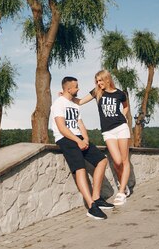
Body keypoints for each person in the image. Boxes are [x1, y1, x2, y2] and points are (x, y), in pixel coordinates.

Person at [51, 76, 114, 220]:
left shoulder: (74, 104)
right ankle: (91, 207)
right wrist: (76, 141)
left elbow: (80, 124)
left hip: (78, 138)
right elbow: (61, 127)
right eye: (76, 87)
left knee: (102, 161)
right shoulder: (58, 104)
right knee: (80, 169)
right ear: (68, 89)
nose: (78, 89)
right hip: (66, 139)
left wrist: (85, 139)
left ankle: (97, 198)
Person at [73, 70, 131, 206]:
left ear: (107, 79)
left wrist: (124, 118)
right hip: (108, 131)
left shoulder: (120, 94)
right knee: (117, 161)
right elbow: (80, 101)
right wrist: (66, 96)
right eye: (97, 81)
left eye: (100, 80)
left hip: (121, 128)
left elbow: (126, 106)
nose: (99, 83)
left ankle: (122, 192)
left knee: (124, 160)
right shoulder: (97, 92)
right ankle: (123, 182)